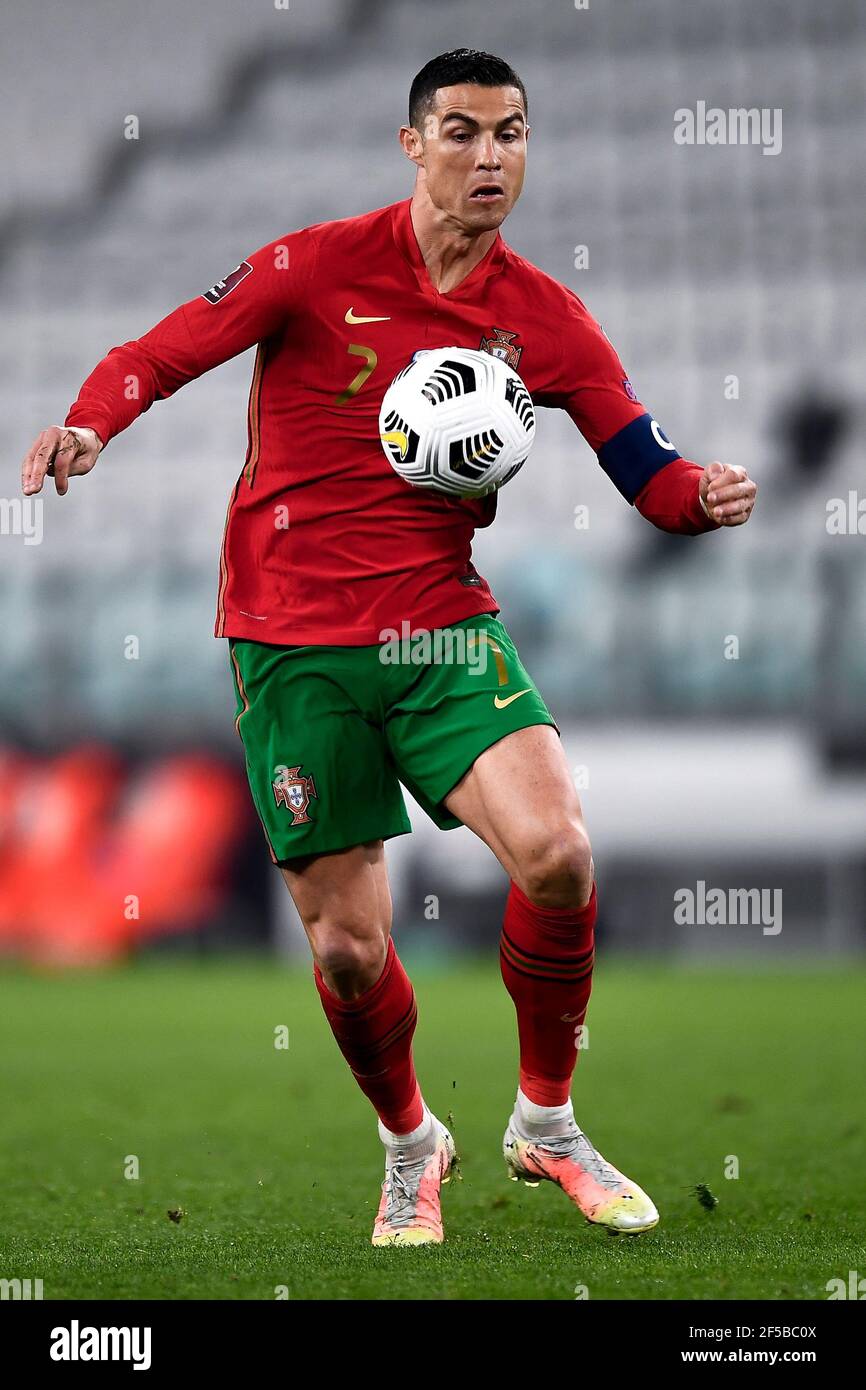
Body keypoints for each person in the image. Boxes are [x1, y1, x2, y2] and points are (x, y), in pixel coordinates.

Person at [21, 48, 757, 1246]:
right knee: (354, 951)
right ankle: (412, 1143)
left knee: (559, 853)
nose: (488, 157)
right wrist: (90, 424)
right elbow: (156, 353)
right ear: (411, 145)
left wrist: (699, 492)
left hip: (441, 630)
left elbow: (645, 467)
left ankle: (547, 1122)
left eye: (510, 133)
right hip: (290, 640)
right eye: (461, 132)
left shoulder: (541, 317)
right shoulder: (313, 267)